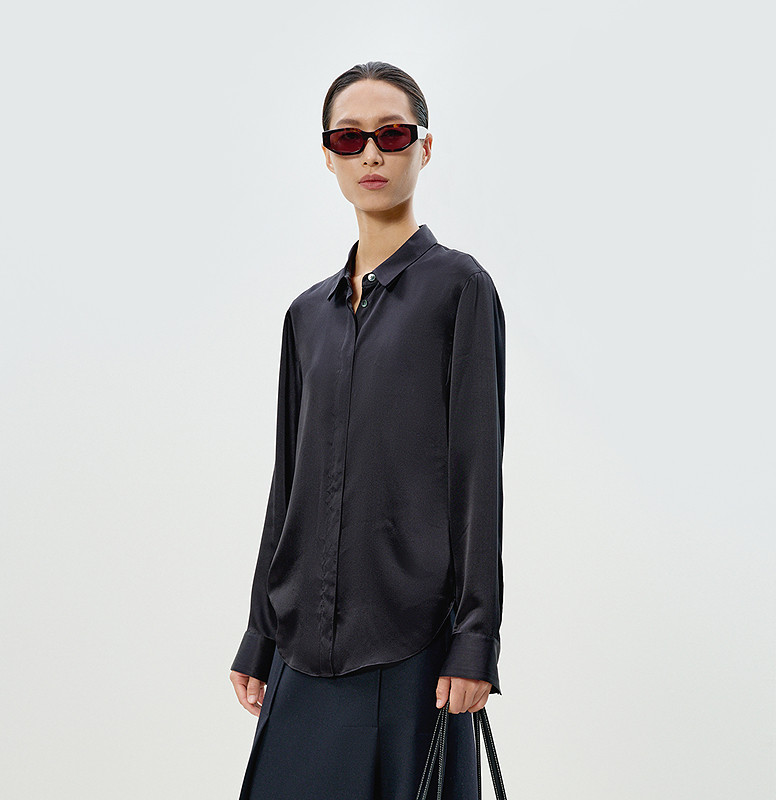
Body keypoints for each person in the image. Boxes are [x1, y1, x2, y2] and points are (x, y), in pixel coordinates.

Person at [229, 60, 506, 800]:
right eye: (350, 139)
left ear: (425, 146)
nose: (372, 154)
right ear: (328, 155)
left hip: (413, 643)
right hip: (300, 644)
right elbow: (288, 483)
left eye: (393, 134)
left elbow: (477, 474)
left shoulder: (459, 288)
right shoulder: (305, 317)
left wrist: (475, 641)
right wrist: (259, 630)